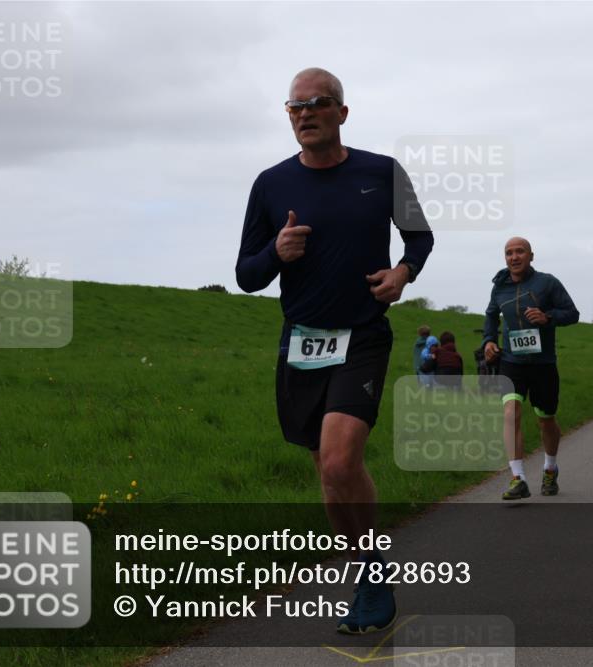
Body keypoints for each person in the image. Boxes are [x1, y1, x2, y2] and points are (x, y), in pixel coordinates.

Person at [235, 67, 433, 635]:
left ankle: (370, 577)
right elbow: (247, 275)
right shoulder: (271, 185)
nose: (304, 113)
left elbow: (419, 237)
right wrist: (276, 250)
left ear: (341, 113)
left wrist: (402, 272)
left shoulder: (381, 172)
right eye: (294, 106)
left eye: (317, 102)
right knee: (328, 472)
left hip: (363, 335)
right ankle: (367, 571)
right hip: (302, 341)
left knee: (343, 459)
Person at [482, 237, 579, 500]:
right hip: (511, 361)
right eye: (509, 253)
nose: (514, 257)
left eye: (519, 252)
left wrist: (548, 317)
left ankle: (550, 468)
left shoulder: (547, 283)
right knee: (510, 412)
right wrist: (489, 340)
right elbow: (491, 315)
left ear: (531, 256)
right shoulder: (499, 287)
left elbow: (573, 313)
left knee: (545, 420)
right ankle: (518, 478)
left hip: (543, 364)